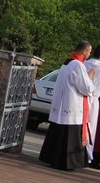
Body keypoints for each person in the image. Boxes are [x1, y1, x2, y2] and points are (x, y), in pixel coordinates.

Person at [39, 41, 95, 171]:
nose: (89, 54)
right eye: (89, 52)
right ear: (84, 51)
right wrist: (90, 78)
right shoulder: (77, 65)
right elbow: (85, 88)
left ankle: (53, 159)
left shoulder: (67, 62)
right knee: (69, 136)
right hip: (72, 106)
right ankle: (66, 162)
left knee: (59, 133)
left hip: (62, 105)